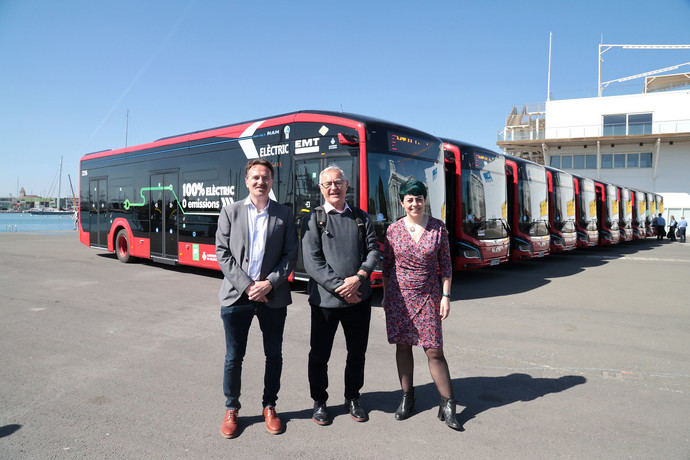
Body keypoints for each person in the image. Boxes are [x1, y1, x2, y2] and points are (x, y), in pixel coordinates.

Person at [216, 159, 298, 438]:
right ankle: (231, 408)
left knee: (273, 354)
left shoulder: (284, 214)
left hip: (272, 297)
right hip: (237, 296)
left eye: (265, 177)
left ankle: (270, 406)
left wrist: (268, 284)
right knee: (233, 357)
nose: (260, 181)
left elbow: (290, 256)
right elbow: (222, 253)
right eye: (255, 177)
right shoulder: (230, 211)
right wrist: (249, 286)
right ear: (246, 181)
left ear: (272, 182)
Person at [302, 165, 380, 425]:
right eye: (327, 184)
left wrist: (358, 278)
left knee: (357, 353)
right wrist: (341, 288)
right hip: (325, 302)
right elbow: (313, 262)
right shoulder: (313, 219)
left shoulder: (361, 217)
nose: (333, 187)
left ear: (347, 185)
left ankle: (353, 398)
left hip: (359, 299)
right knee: (319, 355)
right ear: (321, 189)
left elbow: (372, 251)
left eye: (338, 182)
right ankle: (320, 401)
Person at [382, 179, 460, 431]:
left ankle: (448, 404)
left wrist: (446, 297)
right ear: (402, 202)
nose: (415, 203)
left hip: (428, 295)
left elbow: (446, 266)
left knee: (434, 350)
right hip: (399, 297)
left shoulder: (438, 228)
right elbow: (387, 267)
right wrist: (385, 296)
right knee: (403, 347)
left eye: (419, 198)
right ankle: (407, 397)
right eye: (410, 199)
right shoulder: (393, 230)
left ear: (424, 200)